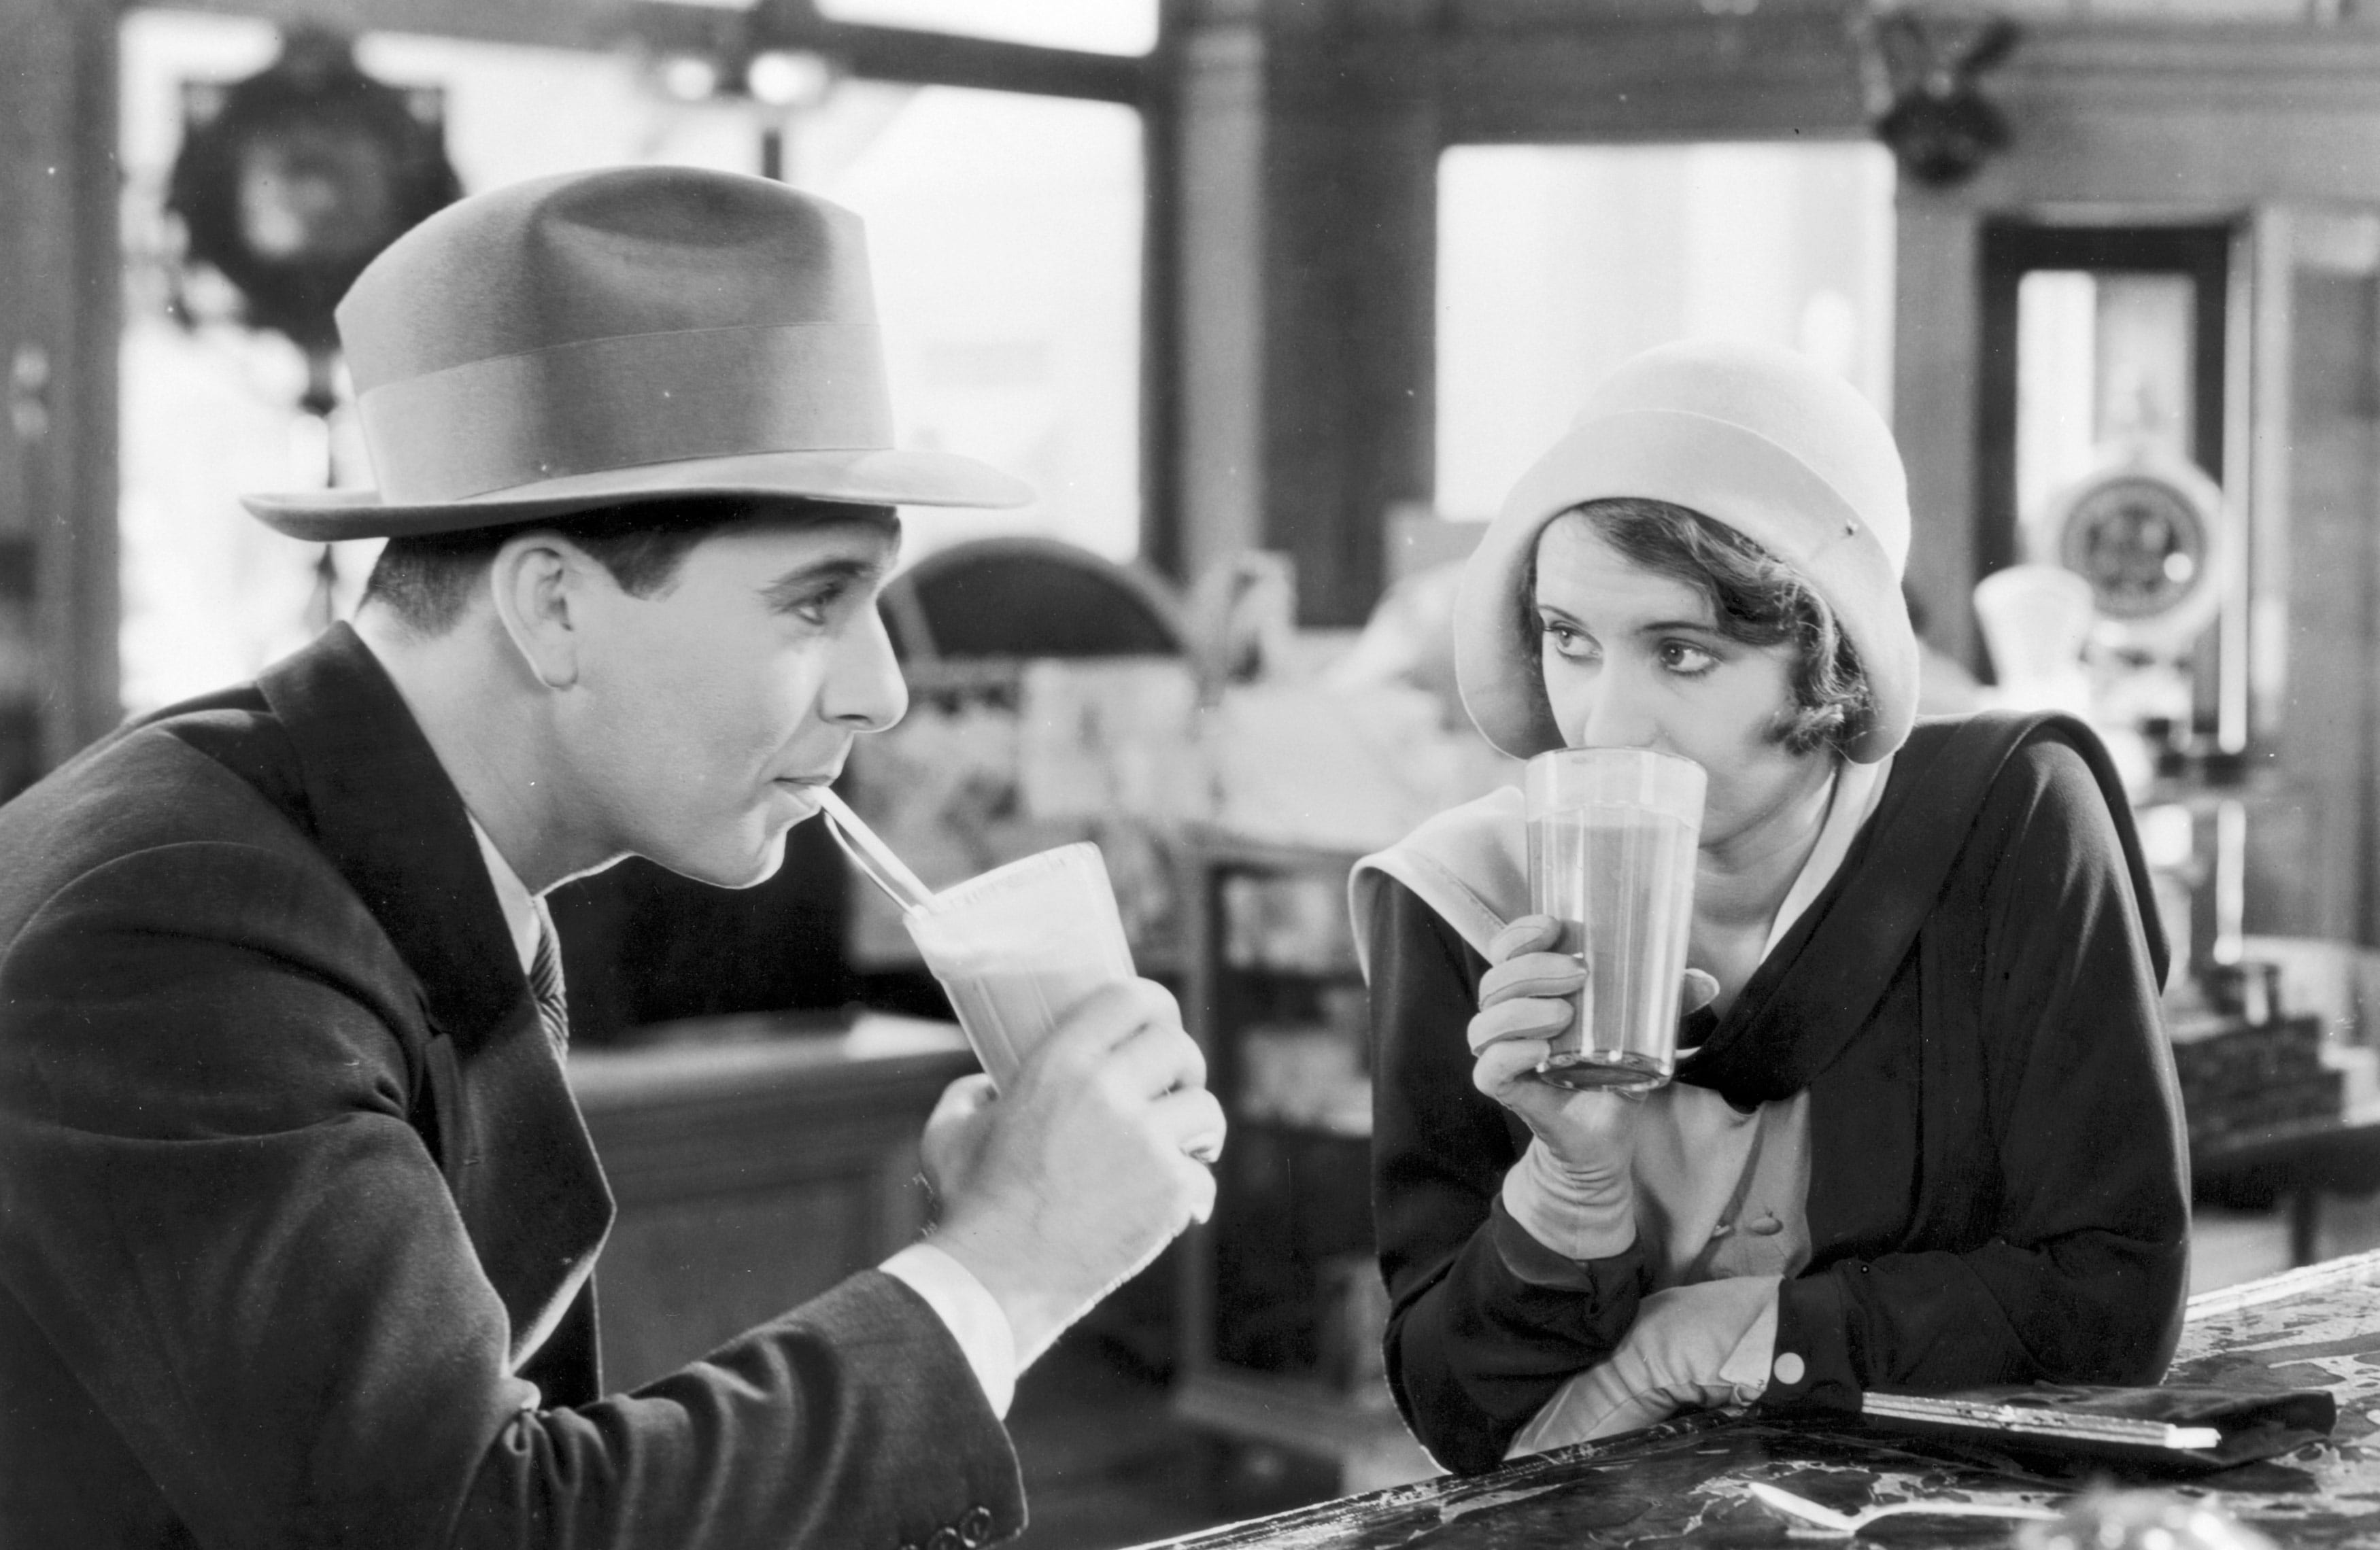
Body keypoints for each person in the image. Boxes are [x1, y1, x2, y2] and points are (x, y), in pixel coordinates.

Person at [0, 166, 1224, 1548]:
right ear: (552, 610)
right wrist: (1008, 1266)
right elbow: (482, 1526)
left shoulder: (366, 845)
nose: (883, 689)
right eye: (819, 600)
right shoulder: (183, 939)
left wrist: (998, 1253)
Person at [1350, 340, 2188, 1476]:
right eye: (1569, 640)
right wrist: (1571, 1182)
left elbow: (2115, 1303)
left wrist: (1708, 1339)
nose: (1604, 726)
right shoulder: (1460, 900)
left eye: (1682, 653)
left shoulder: (2004, 823)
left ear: (1830, 659)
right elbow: (1456, 1414)